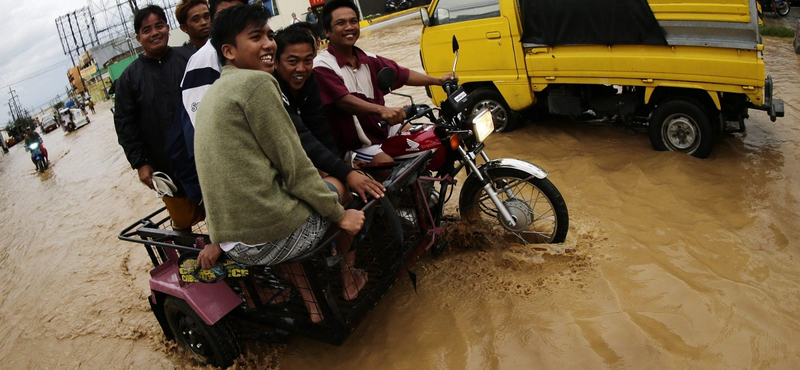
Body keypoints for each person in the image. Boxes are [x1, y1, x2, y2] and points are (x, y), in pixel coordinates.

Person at [194, 4, 366, 323]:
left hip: (233, 239)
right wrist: (341, 215)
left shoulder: (215, 93)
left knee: (289, 202)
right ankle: (349, 277)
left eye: (269, 36)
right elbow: (295, 166)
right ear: (229, 51)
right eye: (256, 37)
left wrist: (217, 238)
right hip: (268, 239)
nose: (268, 44)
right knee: (338, 188)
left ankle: (314, 307)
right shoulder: (257, 84)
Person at [313, 0, 455, 165]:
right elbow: (344, 101)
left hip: (383, 129)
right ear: (326, 32)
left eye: (353, 21)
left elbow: (402, 74)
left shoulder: (369, 59)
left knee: (433, 139)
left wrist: (438, 81)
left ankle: (426, 186)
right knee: (385, 164)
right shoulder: (322, 66)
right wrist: (382, 110)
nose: (349, 27)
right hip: (355, 145)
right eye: (340, 23)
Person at [113, 5, 202, 232]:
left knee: (222, 212)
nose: (154, 33)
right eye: (146, 30)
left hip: (204, 154)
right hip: (165, 165)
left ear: (168, 28)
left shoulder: (190, 58)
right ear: (138, 38)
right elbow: (125, 126)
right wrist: (141, 164)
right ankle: (189, 262)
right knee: (183, 223)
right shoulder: (128, 79)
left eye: (159, 26)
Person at [273, 24, 385, 202]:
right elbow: (302, 137)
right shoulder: (272, 91)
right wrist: (345, 172)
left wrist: (342, 166)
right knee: (341, 191)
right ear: (276, 62)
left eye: (308, 60)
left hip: (310, 157)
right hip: (281, 171)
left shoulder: (310, 83)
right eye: (292, 62)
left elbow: (321, 130)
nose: (301, 68)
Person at [167, 0, 248, 207]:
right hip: (217, 178)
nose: (204, 22)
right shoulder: (205, 59)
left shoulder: (240, 50)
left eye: (206, 17)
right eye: (196, 19)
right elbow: (201, 131)